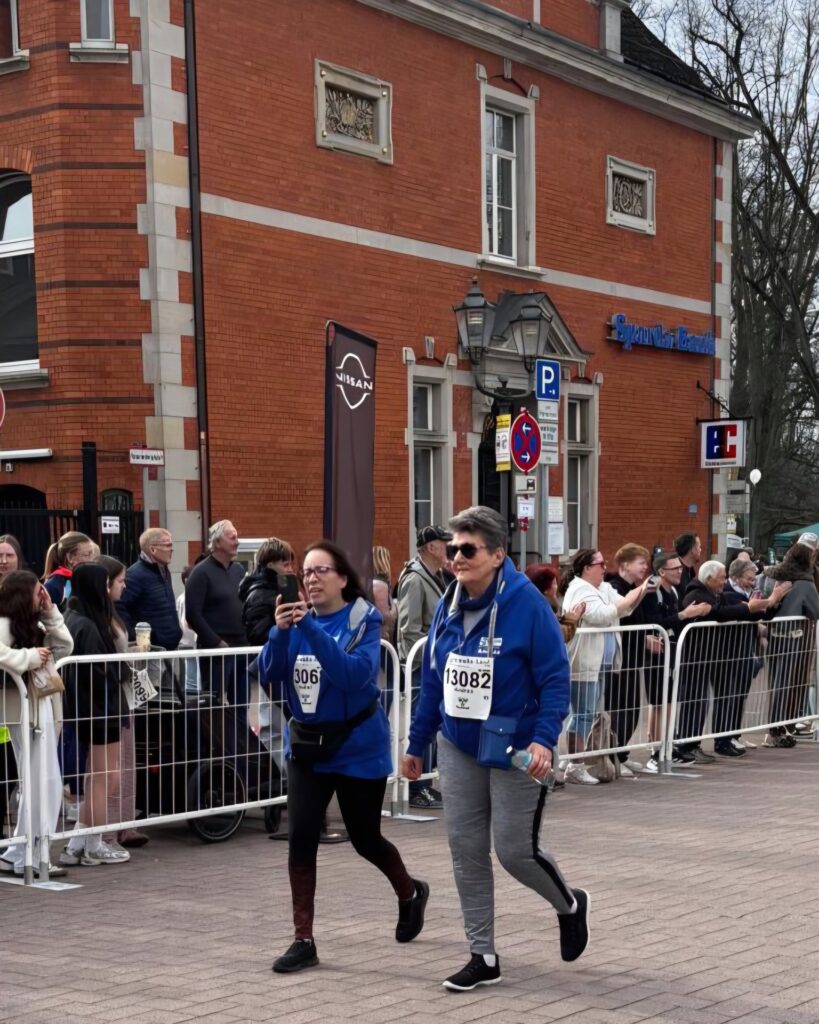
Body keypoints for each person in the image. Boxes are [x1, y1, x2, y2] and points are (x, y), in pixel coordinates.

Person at [402, 506, 589, 992]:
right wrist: (416, 743)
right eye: (452, 549)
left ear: (497, 554)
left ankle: (570, 904)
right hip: (459, 744)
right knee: (465, 849)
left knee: (513, 851)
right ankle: (482, 954)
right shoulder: (449, 601)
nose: (456, 557)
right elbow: (433, 681)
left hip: (515, 747)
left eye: (468, 549)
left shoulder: (527, 605)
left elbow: (554, 680)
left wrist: (544, 739)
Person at [260, 540, 428, 974]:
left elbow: (353, 677)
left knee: (365, 839)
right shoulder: (294, 623)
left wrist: (309, 630)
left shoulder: (362, 619)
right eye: (306, 573)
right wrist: (279, 635)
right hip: (307, 748)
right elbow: (268, 676)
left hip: (356, 746)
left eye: (320, 571)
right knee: (301, 840)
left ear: (342, 578)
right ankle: (303, 939)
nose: (311, 579)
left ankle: (410, 893)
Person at [675, 561, 789, 763]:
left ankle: (698, 744)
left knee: (706, 702)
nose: (723, 581)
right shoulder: (698, 595)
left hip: (711, 656)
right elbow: (721, 613)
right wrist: (759, 604)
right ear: (709, 578)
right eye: (721, 577)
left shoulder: (714, 594)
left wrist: (763, 604)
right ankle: (686, 746)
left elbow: (730, 609)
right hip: (696, 657)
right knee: (696, 702)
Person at [0, 570, 74, 878]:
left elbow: (66, 646)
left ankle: (26, 849)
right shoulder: (5, 624)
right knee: (36, 780)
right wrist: (30, 656)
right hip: (21, 709)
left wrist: (51, 611)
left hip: (40, 706)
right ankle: (27, 851)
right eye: (37, 590)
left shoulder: (34, 622)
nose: (41, 593)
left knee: (45, 779)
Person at [558, 549, 651, 785]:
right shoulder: (579, 588)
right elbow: (602, 615)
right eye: (600, 563)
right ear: (587, 567)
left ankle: (574, 758)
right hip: (585, 661)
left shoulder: (604, 588)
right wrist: (638, 591)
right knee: (583, 713)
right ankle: (573, 764)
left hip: (600, 662)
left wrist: (640, 592)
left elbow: (624, 607)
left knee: (589, 712)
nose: (605, 567)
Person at [59, 563, 130, 866]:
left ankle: (79, 842)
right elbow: (97, 675)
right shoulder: (87, 625)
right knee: (106, 777)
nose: (119, 586)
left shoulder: (76, 617)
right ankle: (94, 843)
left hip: (93, 709)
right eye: (109, 583)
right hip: (101, 710)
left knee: (98, 777)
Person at [396, 524, 452, 808]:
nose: (448, 548)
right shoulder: (415, 579)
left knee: (431, 724)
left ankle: (426, 782)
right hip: (421, 665)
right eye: (444, 543)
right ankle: (419, 786)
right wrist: (433, 653)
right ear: (431, 547)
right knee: (422, 724)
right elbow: (409, 629)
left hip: (432, 663)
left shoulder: (438, 575)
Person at [640, 551, 710, 771]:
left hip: (670, 650)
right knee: (658, 701)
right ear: (661, 571)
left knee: (669, 700)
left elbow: (675, 620)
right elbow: (653, 621)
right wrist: (684, 615)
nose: (680, 572)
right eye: (675, 569)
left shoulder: (673, 592)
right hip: (656, 652)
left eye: (680, 568)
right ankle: (655, 749)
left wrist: (687, 616)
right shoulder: (653, 591)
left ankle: (667, 744)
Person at [99, 555, 149, 849]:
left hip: (124, 694)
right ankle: (109, 829)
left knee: (127, 760)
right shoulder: (99, 616)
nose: (124, 585)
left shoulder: (114, 613)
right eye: (120, 580)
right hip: (111, 697)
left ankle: (126, 823)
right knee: (111, 767)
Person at [184, 520, 249, 718]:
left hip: (242, 648)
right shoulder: (201, 572)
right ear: (218, 543)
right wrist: (216, 642)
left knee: (241, 703)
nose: (237, 542)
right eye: (233, 537)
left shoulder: (238, 570)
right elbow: (193, 614)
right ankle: (214, 746)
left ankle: (239, 745)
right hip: (216, 652)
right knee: (213, 705)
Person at [759, 542, 819, 747]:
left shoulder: (773, 577)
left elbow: (766, 606)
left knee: (775, 684)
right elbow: (815, 611)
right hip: (795, 638)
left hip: (774, 636)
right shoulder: (806, 583)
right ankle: (778, 729)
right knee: (787, 685)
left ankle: (776, 728)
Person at [604, 544, 655, 776]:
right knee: (620, 707)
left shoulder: (635, 588)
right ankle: (613, 755)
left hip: (633, 657)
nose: (645, 567)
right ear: (625, 564)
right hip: (620, 660)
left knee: (632, 707)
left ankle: (621, 753)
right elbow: (621, 616)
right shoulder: (616, 588)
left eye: (645, 562)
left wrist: (645, 637)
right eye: (640, 562)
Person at [116, 528, 182, 653]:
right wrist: (136, 637)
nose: (171, 549)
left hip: (168, 648)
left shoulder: (163, 570)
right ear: (153, 549)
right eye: (167, 545)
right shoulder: (135, 575)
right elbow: (119, 606)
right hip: (151, 650)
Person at [0, 535, 24, 851]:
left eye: (9, 555)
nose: (3, 560)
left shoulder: (26, 593)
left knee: (11, 763)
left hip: (15, 692)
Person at [525, 564, 584, 644]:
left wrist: (565, 619)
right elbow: (556, 636)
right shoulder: (543, 610)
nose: (557, 587)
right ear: (546, 589)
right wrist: (571, 621)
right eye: (554, 583)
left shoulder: (528, 607)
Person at [42, 531, 96, 607]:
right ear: (70, 557)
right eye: (88, 555)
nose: (93, 560)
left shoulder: (85, 581)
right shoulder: (53, 587)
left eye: (93, 554)